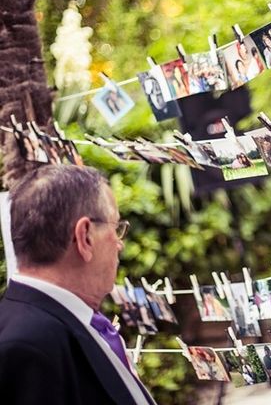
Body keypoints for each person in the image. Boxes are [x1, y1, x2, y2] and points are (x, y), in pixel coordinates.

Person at [0, 165, 155, 404]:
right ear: (85, 236)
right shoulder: (28, 347)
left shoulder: (54, 320)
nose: (120, 244)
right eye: (117, 228)